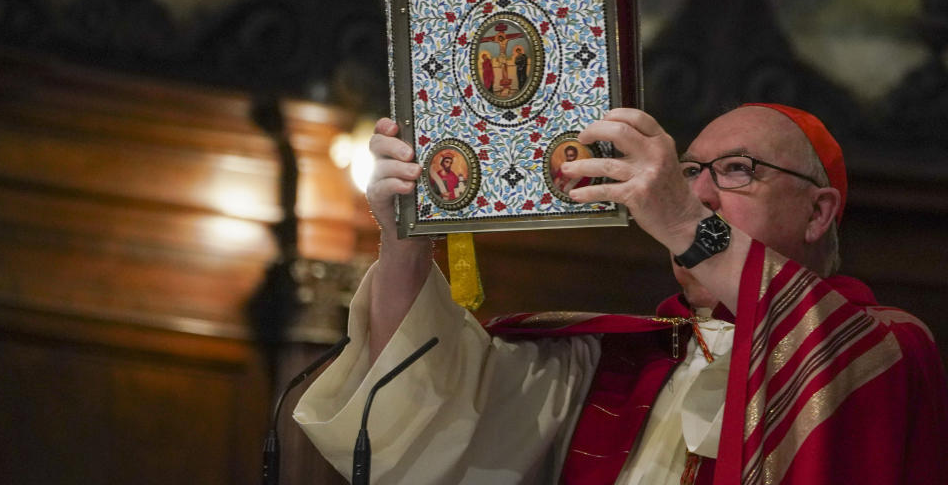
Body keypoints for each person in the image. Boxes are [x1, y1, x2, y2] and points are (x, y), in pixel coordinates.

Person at [294, 104, 948, 484]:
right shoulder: (613, 364)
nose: (702, 192)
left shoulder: (884, 347)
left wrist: (686, 224)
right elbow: (423, 415)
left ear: (817, 212)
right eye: (689, 173)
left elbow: (825, 347)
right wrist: (406, 236)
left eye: (738, 171)